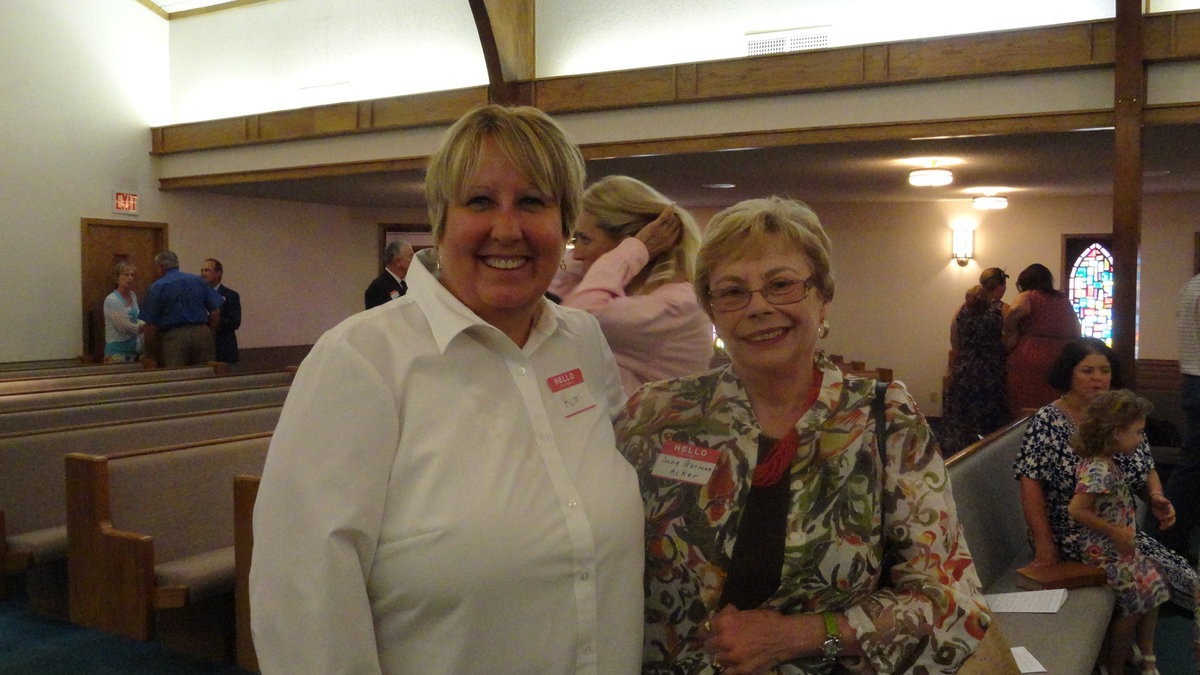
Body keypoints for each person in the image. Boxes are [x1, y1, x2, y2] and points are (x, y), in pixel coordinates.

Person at [250, 105, 644, 674]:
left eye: (533, 201)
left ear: (564, 225)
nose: (506, 228)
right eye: (480, 201)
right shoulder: (362, 360)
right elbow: (303, 602)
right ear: (440, 223)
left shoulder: (581, 340)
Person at [615, 196, 990, 673]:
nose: (758, 307)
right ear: (711, 310)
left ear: (822, 297)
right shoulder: (656, 416)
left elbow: (949, 600)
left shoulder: (883, 419)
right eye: (732, 292)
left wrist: (801, 635)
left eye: (781, 285)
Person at [1012, 337, 1199, 657]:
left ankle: (1137, 648)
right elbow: (1030, 483)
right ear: (1069, 374)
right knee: (1173, 581)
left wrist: (1156, 496)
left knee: (1187, 579)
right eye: (1088, 371)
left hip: (1118, 528)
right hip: (1073, 532)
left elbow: (1146, 468)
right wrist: (1044, 544)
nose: (1098, 378)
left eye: (1105, 370)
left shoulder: (1119, 415)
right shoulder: (1048, 420)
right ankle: (1126, 653)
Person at [562, 175, 713, 394]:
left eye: (585, 239)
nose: (576, 254)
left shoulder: (678, 305)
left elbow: (579, 317)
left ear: (629, 241)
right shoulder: (628, 292)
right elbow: (549, 282)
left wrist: (635, 250)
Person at [1068, 389, 1171, 675]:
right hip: (1104, 553)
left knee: (1156, 585)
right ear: (1115, 433)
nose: (1140, 439)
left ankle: (1145, 655)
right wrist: (1114, 531)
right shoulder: (1098, 469)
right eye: (1137, 432)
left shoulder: (1108, 460)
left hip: (1120, 549)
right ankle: (1115, 666)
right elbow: (1076, 509)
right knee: (1137, 602)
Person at [940, 268, 1010, 454]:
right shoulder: (1003, 310)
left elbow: (954, 341)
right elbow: (1009, 342)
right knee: (990, 427)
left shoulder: (962, 309)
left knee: (963, 426)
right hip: (990, 373)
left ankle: (959, 461)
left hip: (964, 370)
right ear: (1001, 287)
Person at [1158, 272, 1200, 561]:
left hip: (1193, 381)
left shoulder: (1191, 287)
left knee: (1192, 468)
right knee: (1191, 471)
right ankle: (1169, 540)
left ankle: (1172, 540)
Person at [1003, 263, 1081, 415]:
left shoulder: (1029, 296)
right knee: (1054, 403)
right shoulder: (1063, 300)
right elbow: (1077, 329)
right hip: (1061, 357)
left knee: (1027, 404)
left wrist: (1009, 329)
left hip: (1031, 355)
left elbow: (1016, 309)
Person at [139, 250, 223, 368]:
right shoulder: (198, 281)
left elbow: (150, 326)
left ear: (160, 268)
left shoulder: (157, 287)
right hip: (202, 333)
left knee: (178, 375)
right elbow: (215, 312)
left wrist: (149, 353)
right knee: (206, 374)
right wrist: (210, 334)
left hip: (174, 337)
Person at [200, 257, 241, 365]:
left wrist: (212, 320)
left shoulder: (231, 295)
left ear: (218, 273)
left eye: (207, 270)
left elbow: (235, 322)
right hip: (203, 348)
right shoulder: (197, 295)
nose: (203, 274)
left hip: (224, 348)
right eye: (202, 270)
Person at [102, 260, 144, 363]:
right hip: (117, 353)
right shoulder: (112, 299)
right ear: (117, 278)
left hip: (134, 351)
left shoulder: (132, 296)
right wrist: (143, 327)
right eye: (126, 275)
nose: (130, 278)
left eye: (132, 275)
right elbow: (124, 327)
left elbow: (138, 317)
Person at [364, 239, 415, 309]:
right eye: (411, 256)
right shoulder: (378, 287)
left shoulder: (410, 283)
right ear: (398, 261)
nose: (414, 260)